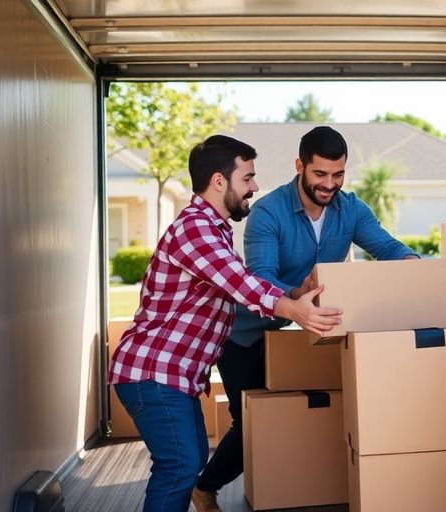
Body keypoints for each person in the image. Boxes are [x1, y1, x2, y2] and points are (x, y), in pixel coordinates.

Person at [108, 134, 342, 512]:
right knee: (180, 466)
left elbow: (238, 280)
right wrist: (295, 310)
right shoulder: (195, 230)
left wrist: (295, 297)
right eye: (247, 178)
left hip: (171, 376)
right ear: (219, 181)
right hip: (153, 373)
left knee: (190, 461)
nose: (255, 186)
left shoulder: (212, 229)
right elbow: (240, 283)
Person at [192, 126, 421, 511]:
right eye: (320, 174)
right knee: (250, 422)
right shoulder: (268, 211)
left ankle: (294, 487)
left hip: (301, 332)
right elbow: (261, 277)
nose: (329, 184)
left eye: (338, 174)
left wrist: (419, 270)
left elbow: (387, 247)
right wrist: (299, 293)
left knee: (311, 410)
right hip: (246, 334)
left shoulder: (351, 209)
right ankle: (204, 487)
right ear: (300, 166)